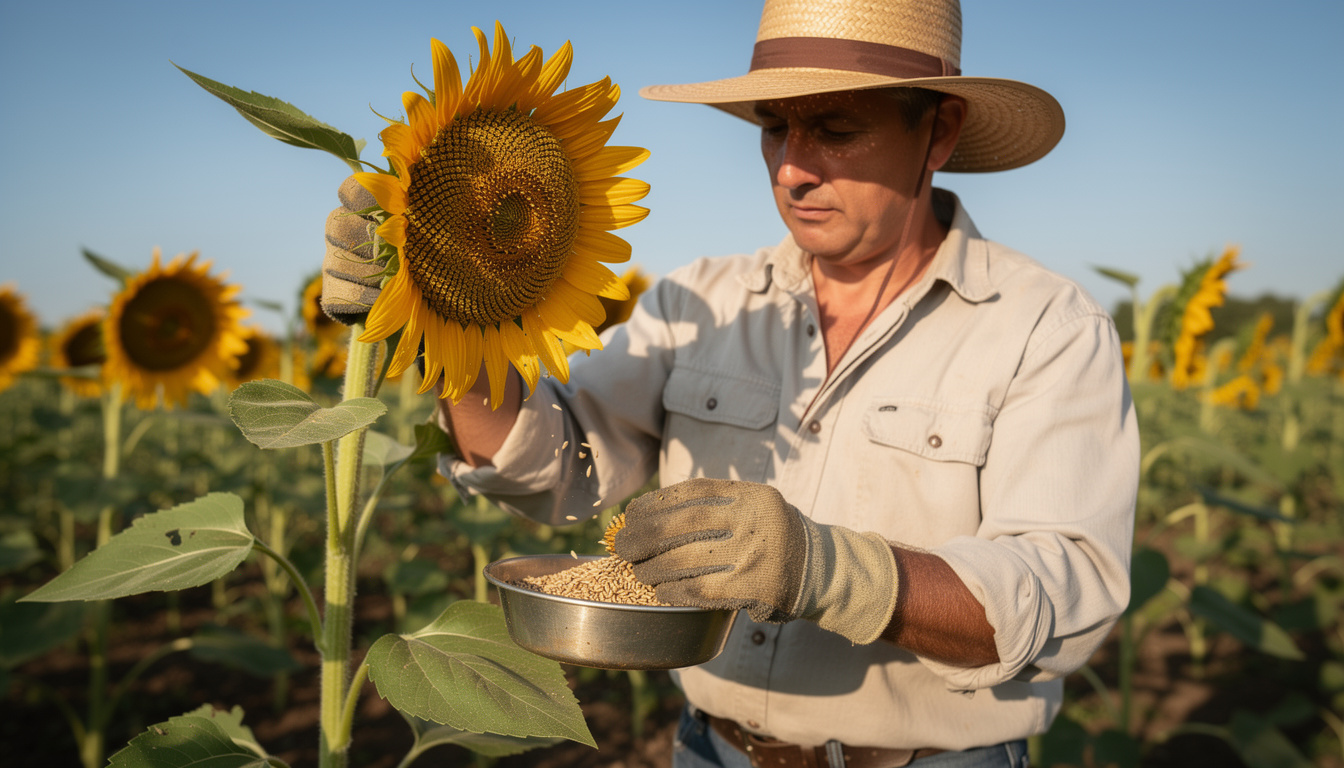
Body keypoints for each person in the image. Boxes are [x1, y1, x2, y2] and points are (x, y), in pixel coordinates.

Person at [323, 1, 1139, 765]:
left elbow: (1061, 598)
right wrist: (438, 309)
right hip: (709, 748)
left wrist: (827, 570)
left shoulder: (1045, 329)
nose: (791, 169)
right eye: (774, 127)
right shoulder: (699, 301)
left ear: (940, 129)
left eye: (835, 129)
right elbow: (563, 468)